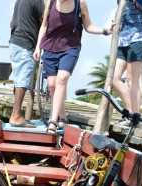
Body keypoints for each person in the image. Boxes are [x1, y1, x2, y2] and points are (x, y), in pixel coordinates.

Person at [34, 0, 114, 134]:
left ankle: (53, 121)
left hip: (70, 47)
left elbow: (88, 26)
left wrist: (105, 30)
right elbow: (44, 25)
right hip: (49, 46)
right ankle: (63, 116)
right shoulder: (51, 2)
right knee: (52, 85)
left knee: (62, 79)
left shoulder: (80, 3)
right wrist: (38, 47)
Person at [112, 0, 142, 126]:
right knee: (114, 78)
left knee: (131, 80)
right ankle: (130, 114)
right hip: (124, 41)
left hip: (140, 37)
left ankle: (133, 116)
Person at [9, 0, 45, 128]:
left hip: (14, 43)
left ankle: (16, 113)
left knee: (18, 79)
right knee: (23, 80)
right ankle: (16, 115)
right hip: (25, 44)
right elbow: (44, 24)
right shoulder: (38, 1)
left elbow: (11, 23)